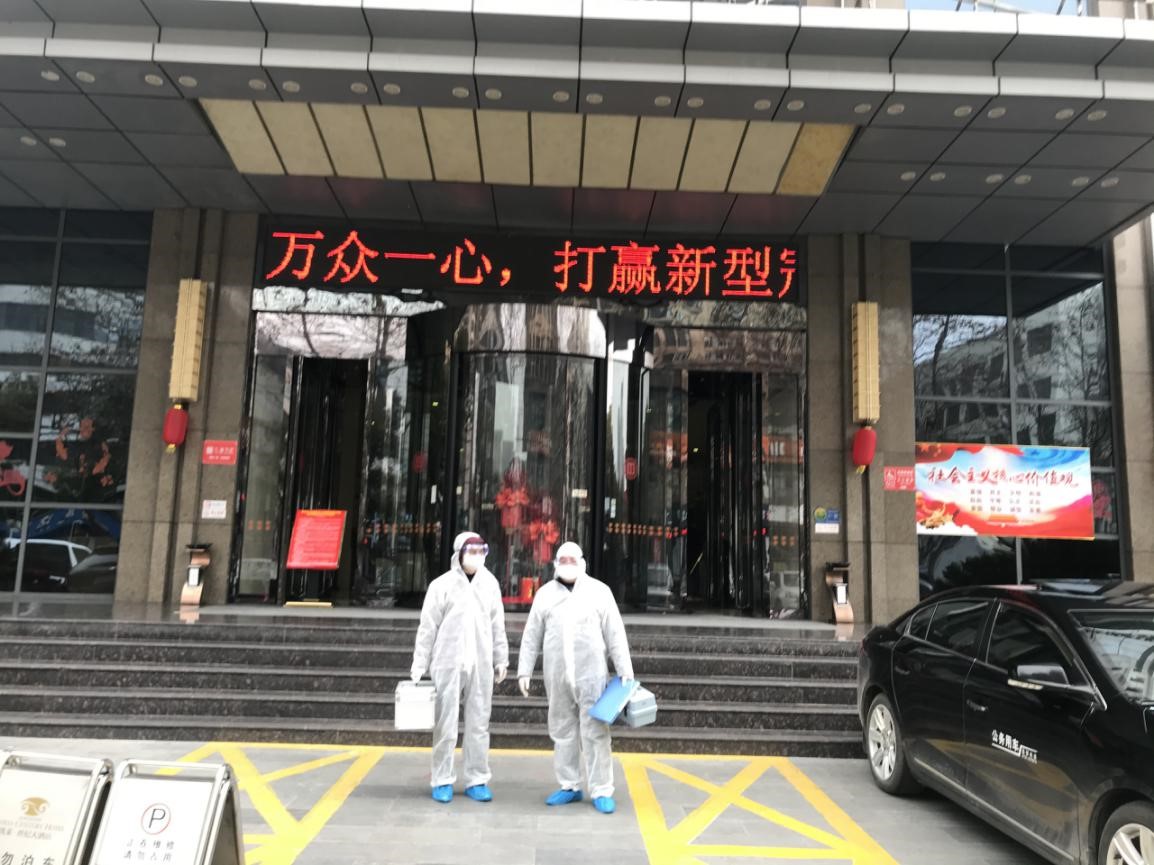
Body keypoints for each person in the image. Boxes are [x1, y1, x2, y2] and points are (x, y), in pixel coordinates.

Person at [517, 541, 634, 815]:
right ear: (555, 564)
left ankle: (602, 789)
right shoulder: (545, 595)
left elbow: (615, 633)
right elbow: (532, 635)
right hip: (556, 675)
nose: (567, 564)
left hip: (591, 676)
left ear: (582, 562)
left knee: (596, 732)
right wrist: (524, 670)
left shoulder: (599, 592)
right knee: (562, 731)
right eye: (563, 560)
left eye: (572, 560)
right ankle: (569, 785)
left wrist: (625, 669)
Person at [411, 531, 509, 804]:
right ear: (459, 553)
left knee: (479, 723)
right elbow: (427, 627)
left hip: (481, 662)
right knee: (445, 723)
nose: (477, 556)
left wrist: (501, 658)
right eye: (471, 551)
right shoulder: (441, 585)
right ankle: (442, 778)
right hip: (448, 661)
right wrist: (420, 662)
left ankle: (477, 779)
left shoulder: (490, 584)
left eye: (481, 551)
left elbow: (497, 624)